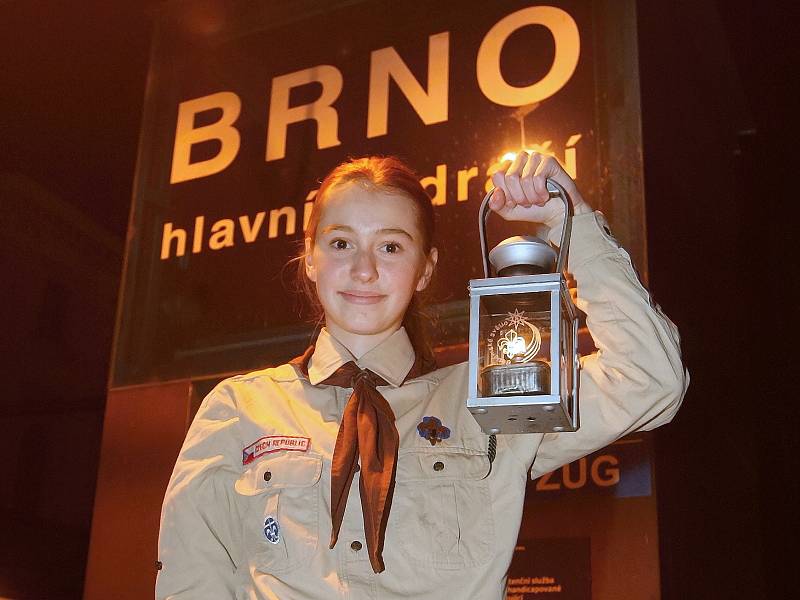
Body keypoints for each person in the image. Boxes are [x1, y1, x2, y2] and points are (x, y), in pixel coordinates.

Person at [155, 152, 688, 599]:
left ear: (425, 268)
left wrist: (573, 225)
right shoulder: (239, 409)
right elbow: (191, 582)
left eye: (390, 246)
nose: (364, 270)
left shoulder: (490, 399)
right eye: (341, 243)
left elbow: (650, 379)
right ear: (310, 258)